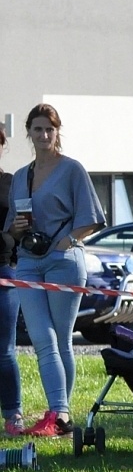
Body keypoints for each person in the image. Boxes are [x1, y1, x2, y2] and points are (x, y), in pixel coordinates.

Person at [8, 104, 106, 438]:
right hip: (28, 262)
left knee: (61, 339)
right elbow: (11, 226)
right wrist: (18, 228)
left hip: (64, 261)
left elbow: (92, 217)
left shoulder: (72, 169)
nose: (44, 135)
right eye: (38, 129)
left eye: (49, 129)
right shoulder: (21, 176)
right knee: (42, 337)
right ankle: (58, 413)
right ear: (29, 133)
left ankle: (59, 415)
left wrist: (68, 241)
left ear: (57, 132)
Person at [0, 127, 22, 436]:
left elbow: (23, 226)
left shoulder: (13, 183)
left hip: (5, 270)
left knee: (4, 349)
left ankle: (13, 414)